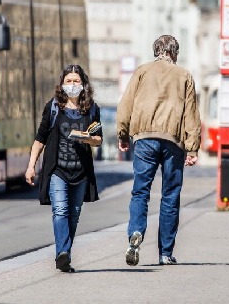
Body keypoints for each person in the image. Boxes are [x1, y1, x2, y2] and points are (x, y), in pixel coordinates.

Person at [116, 34, 201, 266]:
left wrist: (123, 135)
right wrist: (192, 147)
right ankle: (165, 253)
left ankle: (136, 233)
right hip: (173, 141)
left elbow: (125, 105)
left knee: (140, 191)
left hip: (144, 139)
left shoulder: (142, 72)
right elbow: (191, 114)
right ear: (174, 52)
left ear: (156, 51)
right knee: (170, 195)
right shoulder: (184, 75)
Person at [25, 64, 102, 273]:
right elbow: (40, 139)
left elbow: (98, 139)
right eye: (68, 81)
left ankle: (64, 254)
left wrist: (88, 138)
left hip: (81, 172)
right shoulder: (53, 107)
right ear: (62, 84)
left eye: (76, 81)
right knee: (60, 210)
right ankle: (63, 253)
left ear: (83, 84)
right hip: (58, 169)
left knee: (74, 214)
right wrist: (31, 166)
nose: (72, 85)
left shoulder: (92, 108)